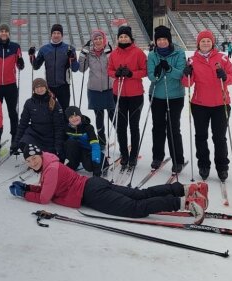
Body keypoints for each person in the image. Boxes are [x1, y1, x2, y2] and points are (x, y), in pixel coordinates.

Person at [8, 144, 209, 223]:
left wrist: (24, 194)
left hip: (91, 194)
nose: (32, 162)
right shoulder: (50, 163)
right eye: (28, 161)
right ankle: (187, 189)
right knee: (140, 194)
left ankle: (187, 204)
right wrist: (28, 187)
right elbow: (47, 189)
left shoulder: (50, 169)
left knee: (135, 208)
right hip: (93, 184)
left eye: (34, 158)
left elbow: (44, 198)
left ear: (41, 155)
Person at [181, 30, 232, 182]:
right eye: (203, 41)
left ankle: (222, 167)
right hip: (200, 105)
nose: (205, 43)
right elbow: (187, 84)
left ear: (212, 43)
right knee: (201, 137)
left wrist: (225, 77)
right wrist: (186, 74)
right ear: (198, 43)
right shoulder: (192, 60)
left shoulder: (222, 58)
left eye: (208, 41)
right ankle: (203, 165)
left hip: (221, 103)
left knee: (219, 138)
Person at [147, 25, 186, 174]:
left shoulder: (179, 53)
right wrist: (157, 72)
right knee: (157, 127)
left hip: (175, 96)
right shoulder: (152, 55)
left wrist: (168, 68)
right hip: (157, 95)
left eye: (164, 39)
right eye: (159, 39)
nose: (162, 42)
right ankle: (157, 156)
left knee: (172, 128)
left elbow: (180, 75)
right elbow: (152, 77)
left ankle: (178, 159)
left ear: (169, 40)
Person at [107, 25, 147, 167]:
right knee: (121, 126)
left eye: (126, 36)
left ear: (130, 38)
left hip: (135, 95)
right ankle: (124, 154)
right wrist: (116, 73)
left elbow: (145, 71)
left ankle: (133, 155)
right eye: (121, 37)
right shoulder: (114, 54)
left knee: (134, 126)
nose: (123, 38)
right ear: (118, 39)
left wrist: (131, 74)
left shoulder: (138, 53)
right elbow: (109, 70)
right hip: (119, 94)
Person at [78, 29, 115, 154]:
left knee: (114, 117)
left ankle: (122, 140)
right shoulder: (89, 53)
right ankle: (102, 142)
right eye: (95, 39)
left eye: (100, 38)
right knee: (99, 117)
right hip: (94, 89)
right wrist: (83, 54)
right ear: (92, 41)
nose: (98, 41)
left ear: (104, 39)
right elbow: (82, 69)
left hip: (109, 88)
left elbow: (115, 66)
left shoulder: (110, 51)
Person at [12, 78, 66, 159]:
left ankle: (43, 155)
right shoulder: (29, 103)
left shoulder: (55, 103)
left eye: (42, 87)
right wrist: (16, 142)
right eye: (36, 87)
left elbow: (59, 127)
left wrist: (58, 146)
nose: (39, 89)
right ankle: (34, 159)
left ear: (46, 88)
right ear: (34, 89)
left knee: (50, 156)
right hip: (35, 135)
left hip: (50, 137)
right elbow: (23, 124)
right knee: (23, 144)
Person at [29, 24, 80, 108]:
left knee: (64, 112)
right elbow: (36, 66)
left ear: (62, 35)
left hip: (63, 86)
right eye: (54, 33)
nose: (56, 35)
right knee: (49, 111)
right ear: (51, 34)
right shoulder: (44, 49)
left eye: (58, 33)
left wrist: (72, 57)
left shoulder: (69, 48)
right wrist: (32, 55)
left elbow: (75, 68)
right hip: (49, 87)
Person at [63, 106, 103, 177]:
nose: (74, 119)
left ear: (80, 115)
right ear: (68, 119)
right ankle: (73, 164)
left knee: (89, 167)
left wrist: (96, 164)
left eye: (76, 116)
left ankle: (102, 160)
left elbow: (95, 145)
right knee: (70, 142)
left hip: (87, 151)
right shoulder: (66, 128)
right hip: (75, 151)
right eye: (71, 117)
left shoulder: (88, 127)